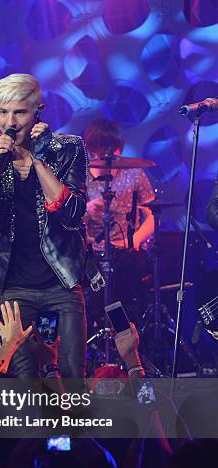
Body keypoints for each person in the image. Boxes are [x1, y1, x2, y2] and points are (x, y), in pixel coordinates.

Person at [0, 73, 88, 378]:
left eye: (19, 112)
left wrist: (38, 159)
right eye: (3, 112)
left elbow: (72, 214)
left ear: (37, 112)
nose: (10, 122)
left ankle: (71, 427)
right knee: (28, 386)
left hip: (60, 285)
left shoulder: (69, 148)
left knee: (69, 382)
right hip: (13, 290)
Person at [83, 119, 155, 330]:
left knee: (128, 302)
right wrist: (86, 209)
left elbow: (152, 215)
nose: (106, 156)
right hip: (89, 252)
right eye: (99, 151)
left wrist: (134, 239)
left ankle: (129, 339)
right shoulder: (80, 175)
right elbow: (65, 217)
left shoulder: (134, 173)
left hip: (125, 250)